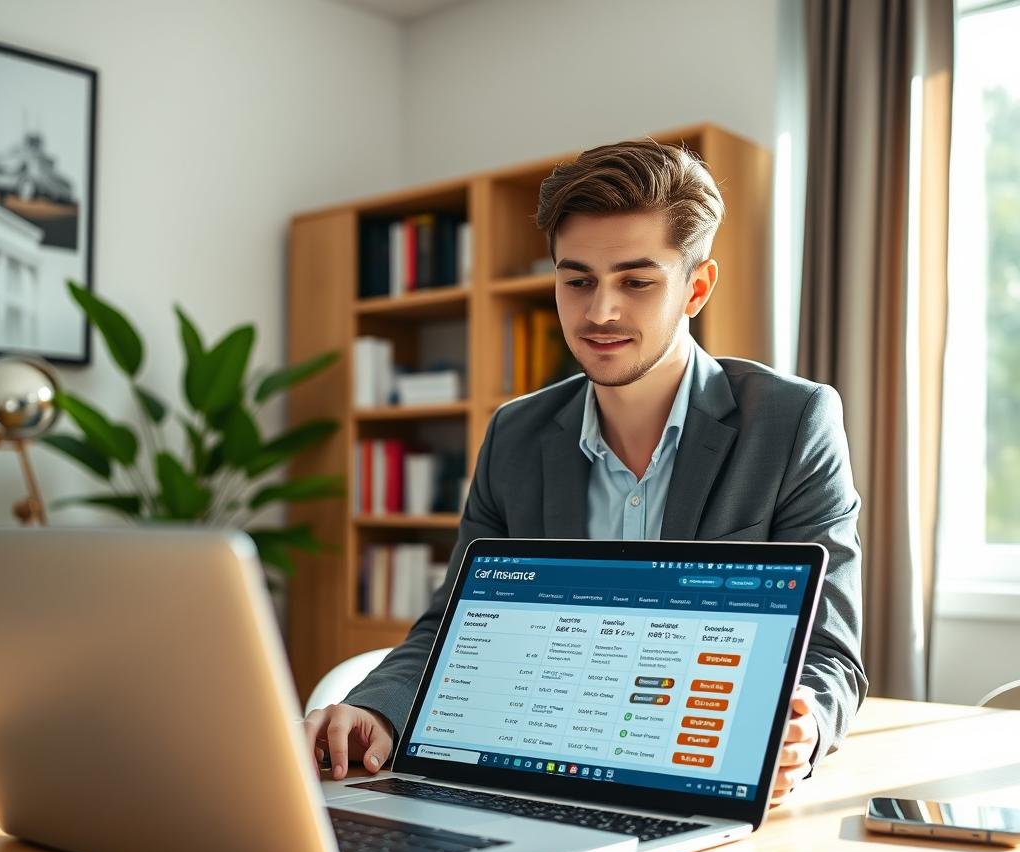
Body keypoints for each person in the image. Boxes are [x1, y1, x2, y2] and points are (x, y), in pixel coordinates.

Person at [304, 139, 867, 804]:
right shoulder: (516, 434)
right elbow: (450, 626)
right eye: (578, 281)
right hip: (540, 775)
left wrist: (799, 732)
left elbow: (830, 654)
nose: (600, 312)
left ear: (696, 287)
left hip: (697, 772)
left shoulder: (793, 422)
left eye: (636, 282)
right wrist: (379, 708)